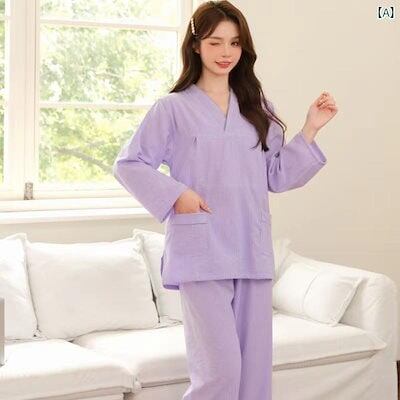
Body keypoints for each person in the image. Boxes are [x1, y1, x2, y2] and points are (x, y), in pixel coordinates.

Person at [113, 1, 338, 399]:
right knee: (219, 374)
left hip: (251, 248)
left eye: (234, 43)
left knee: (254, 376)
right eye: (215, 41)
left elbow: (276, 175)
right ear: (195, 45)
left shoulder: (256, 108)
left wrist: (310, 130)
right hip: (201, 252)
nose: (225, 52)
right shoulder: (172, 109)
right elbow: (130, 163)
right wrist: (176, 194)